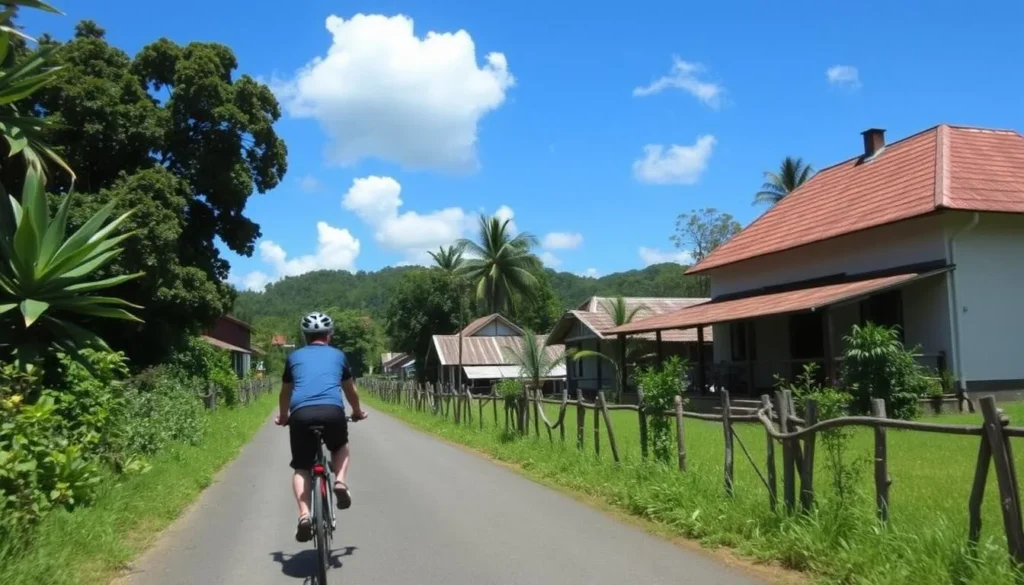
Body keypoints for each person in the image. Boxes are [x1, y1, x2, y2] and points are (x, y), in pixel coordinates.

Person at [274, 311, 368, 542]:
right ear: (330, 335)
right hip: (332, 411)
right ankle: (340, 482)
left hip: (301, 415)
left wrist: (284, 416)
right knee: (340, 446)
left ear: (305, 336)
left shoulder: (294, 357)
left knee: (301, 468)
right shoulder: (338, 355)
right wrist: (356, 411)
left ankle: (305, 515)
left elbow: (285, 391)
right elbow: (349, 390)